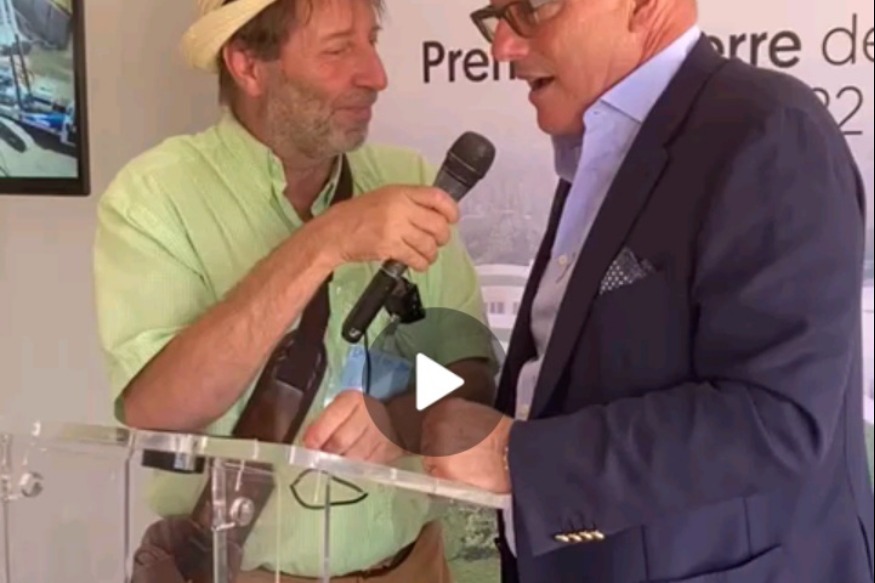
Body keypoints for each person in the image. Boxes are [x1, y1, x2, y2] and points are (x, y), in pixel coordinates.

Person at [422, 0, 875, 581]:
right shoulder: (600, 148)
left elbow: (776, 418)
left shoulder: (769, 130)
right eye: (498, 16)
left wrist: (514, 459)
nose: (501, 47)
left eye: (532, 8)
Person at [92, 0, 497, 581]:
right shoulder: (154, 198)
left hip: (414, 566)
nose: (376, 75)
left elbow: (472, 372)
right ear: (247, 65)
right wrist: (327, 240)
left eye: (371, 41)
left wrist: (397, 420)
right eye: (338, 49)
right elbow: (157, 411)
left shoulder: (406, 177)